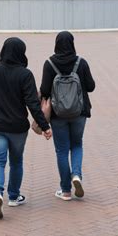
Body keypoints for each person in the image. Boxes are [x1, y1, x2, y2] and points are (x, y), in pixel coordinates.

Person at [0, 37, 52, 219]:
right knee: (16, 161)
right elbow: (33, 104)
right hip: (17, 127)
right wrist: (45, 126)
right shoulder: (25, 75)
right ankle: (13, 196)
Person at [40, 31, 95, 201]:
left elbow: (44, 90)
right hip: (79, 112)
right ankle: (76, 175)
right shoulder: (81, 62)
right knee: (77, 144)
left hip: (58, 114)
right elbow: (91, 86)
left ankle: (65, 191)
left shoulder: (49, 64)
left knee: (61, 150)